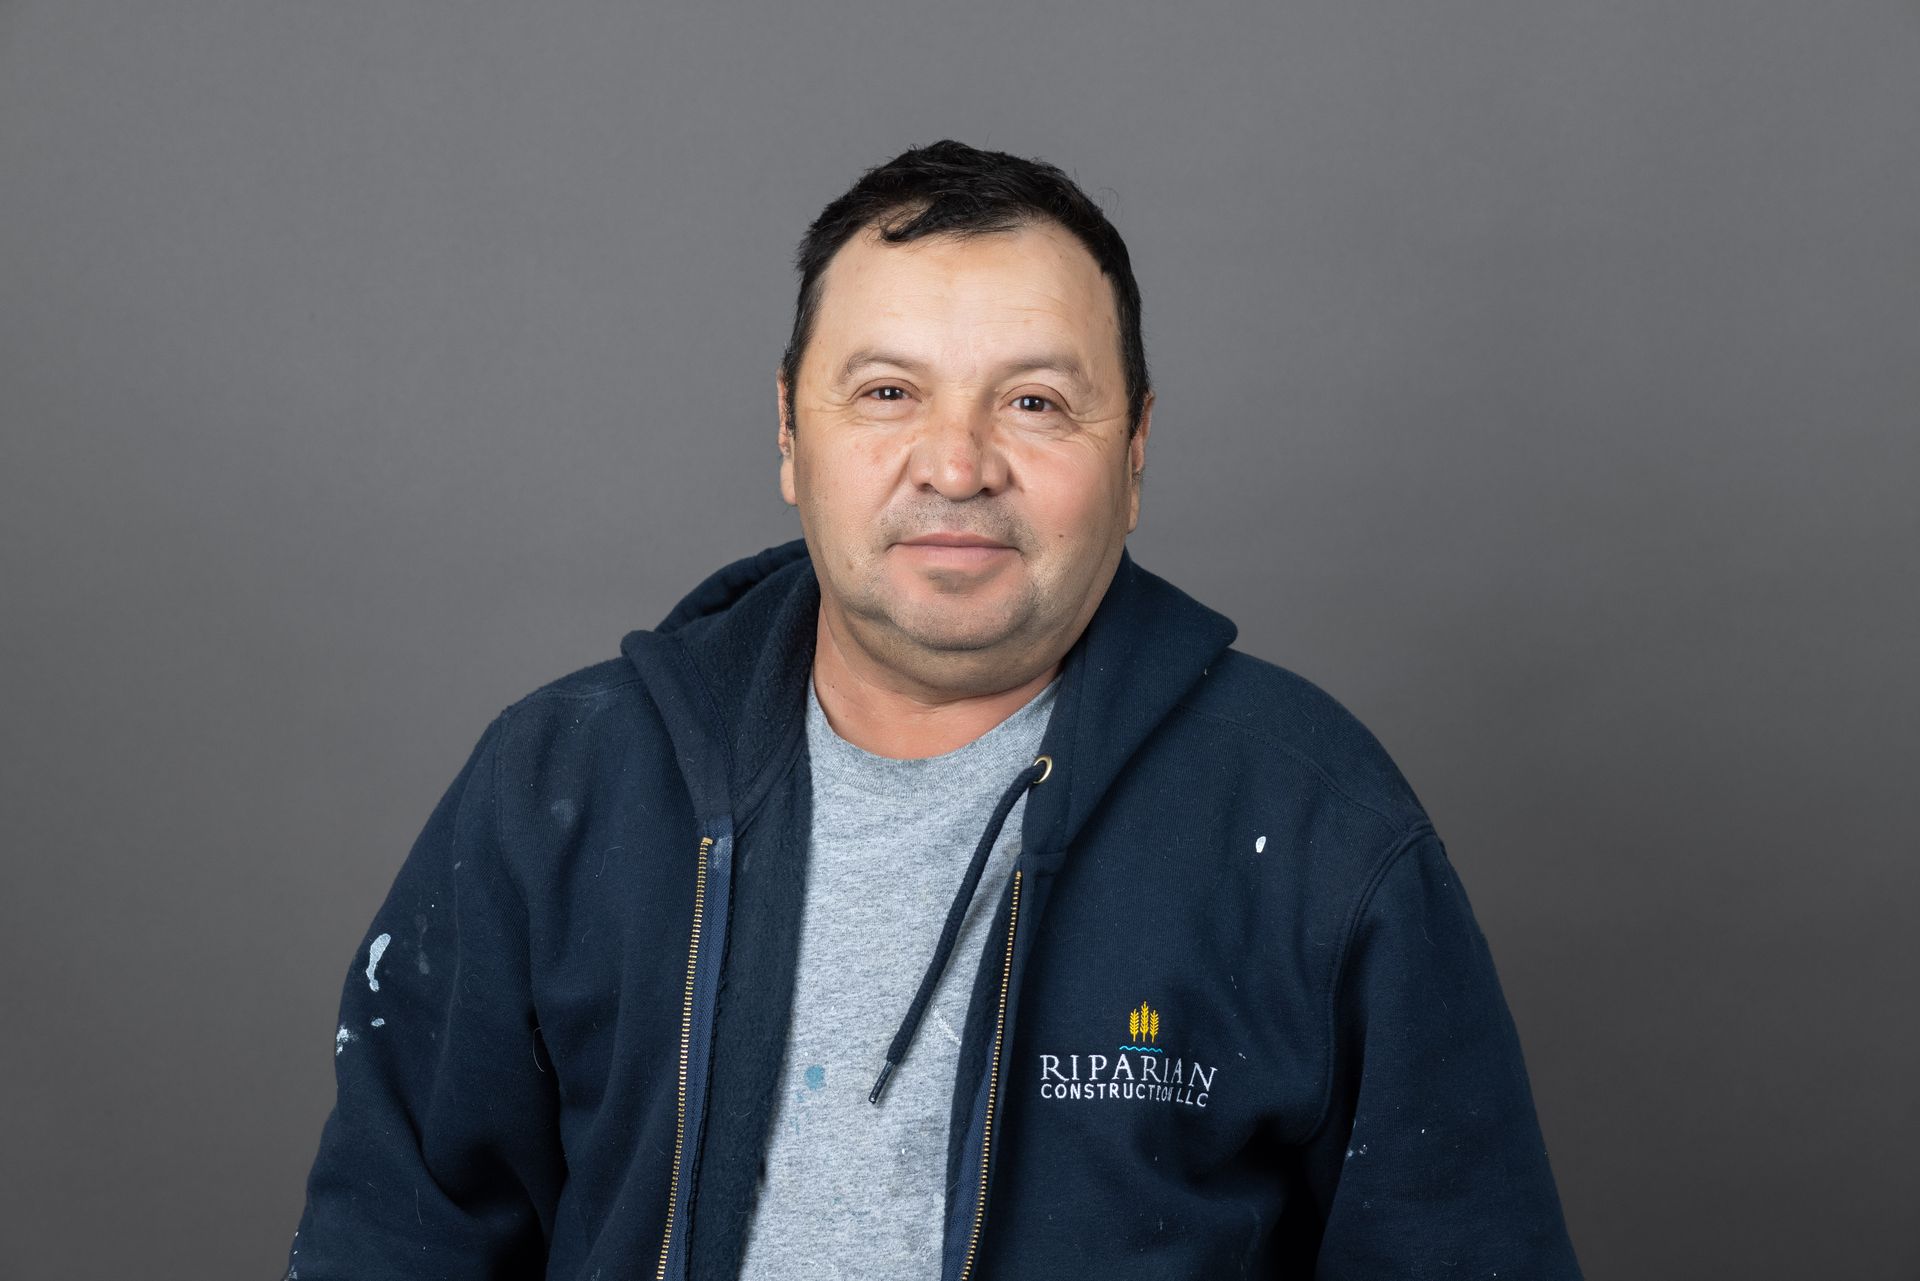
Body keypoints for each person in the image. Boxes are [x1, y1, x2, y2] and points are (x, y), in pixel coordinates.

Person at [286, 139, 1583, 1279]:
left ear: (1134, 457)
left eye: (1033, 402)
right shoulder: (560, 786)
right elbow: (396, 1241)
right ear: (791, 434)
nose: (956, 464)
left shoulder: (1317, 826)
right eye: (889, 392)